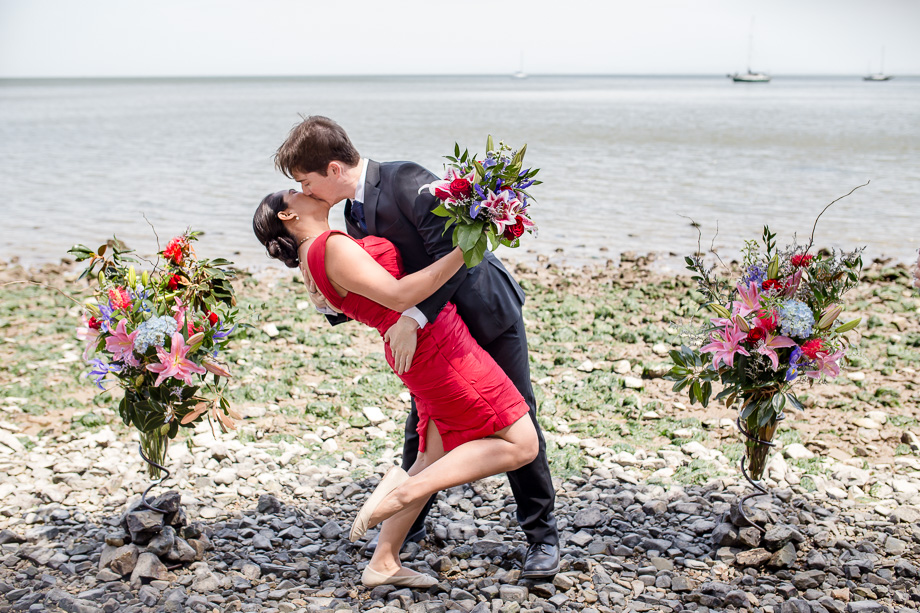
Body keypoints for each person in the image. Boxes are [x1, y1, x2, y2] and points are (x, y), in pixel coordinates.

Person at [273, 116, 560, 579]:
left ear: (331, 168)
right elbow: (378, 285)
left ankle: (541, 537)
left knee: (517, 415)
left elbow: (463, 255)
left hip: (484, 312)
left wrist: (414, 317)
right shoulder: (351, 214)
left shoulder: (406, 179)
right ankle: (402, 532)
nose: (306, 191)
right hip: (434, 335)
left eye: (306, 181)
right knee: (424, 429)